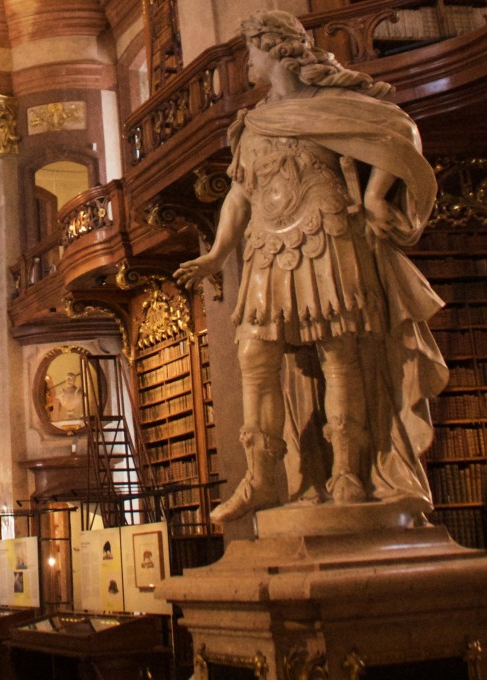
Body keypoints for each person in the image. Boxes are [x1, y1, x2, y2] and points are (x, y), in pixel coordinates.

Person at [174, 9, 447, 523]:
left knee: (338, 354)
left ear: (275, 49)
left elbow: (397, 135)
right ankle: (261, 477)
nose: (248, 63)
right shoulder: (251, 123)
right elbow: (239, 193)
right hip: (265, 248)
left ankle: (348, 472)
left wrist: (373, 196)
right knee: (255, 355)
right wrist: (217, 252)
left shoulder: (332, 106)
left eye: (252, 51)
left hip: (327, 236)